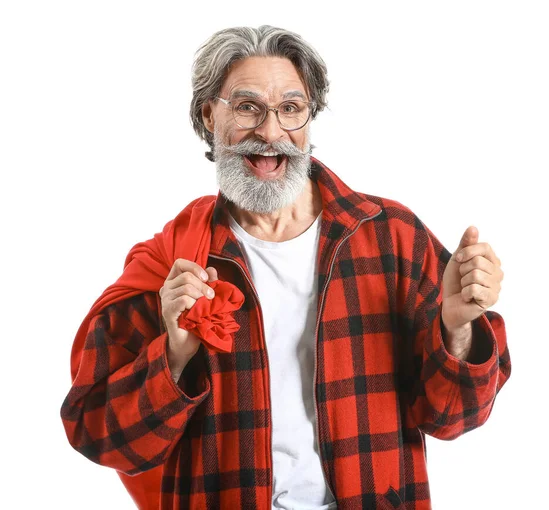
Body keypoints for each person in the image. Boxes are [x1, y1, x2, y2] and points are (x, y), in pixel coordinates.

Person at [60, 25, 511, 510]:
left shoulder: (392, 238)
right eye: (248, 107)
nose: (271, 132)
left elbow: (453, 418)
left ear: (310, 118)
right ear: (209, 113)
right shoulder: (176, 263)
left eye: (290, 109)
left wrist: (458, 330)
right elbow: (101, 436)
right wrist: (172, 356)